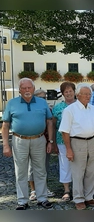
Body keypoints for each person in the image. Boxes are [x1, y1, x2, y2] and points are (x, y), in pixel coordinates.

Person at [2, 78, 54, 210]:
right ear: (19, 90)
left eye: (29, 88)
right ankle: (22, 201)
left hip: (39, 139)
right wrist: (6, 145)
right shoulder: (12, 103)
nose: (27, 90)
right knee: (21, 171)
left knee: (40, 170)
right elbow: (6, 124)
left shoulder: (42, 103)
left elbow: (49, 122)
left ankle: (42, 198)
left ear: (33, 88)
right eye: (24, 88)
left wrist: (50, 141)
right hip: (19, 140)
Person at [59, 83, 94, 210]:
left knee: (91, 171)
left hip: (92, 141)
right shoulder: (70, 110)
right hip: (77, 142)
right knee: (78, 172)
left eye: (89, 94)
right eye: (84, 94)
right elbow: (65, 131)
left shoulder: (93, 109)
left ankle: (89, 197)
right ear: (78, 95)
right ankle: (78, 199)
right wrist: (68, 149)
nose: (87, 96)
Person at [27, 89, 55, 202]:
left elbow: (51, 124)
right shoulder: (29, 108)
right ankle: (33, 190)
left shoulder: (47, 109)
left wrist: (51, 141)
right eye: (40, 97)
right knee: (31, 167)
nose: (43, 99)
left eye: (44, 97)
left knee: (44, 167)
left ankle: (43, 188)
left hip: (45, 139)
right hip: (32, 140)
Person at [52, 82, 77, 202]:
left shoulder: (80, 105)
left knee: (79, 165)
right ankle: (66, 189)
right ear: (62, 94)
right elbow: (53, 125)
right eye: (66, 92)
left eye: (70, 91)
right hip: (61, 140)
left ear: (74, 92)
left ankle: (78, 188)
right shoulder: (57, 107)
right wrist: (52, 142)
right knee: (65, 164)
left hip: (78, 140)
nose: (68, 93)